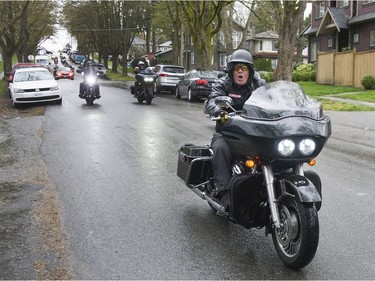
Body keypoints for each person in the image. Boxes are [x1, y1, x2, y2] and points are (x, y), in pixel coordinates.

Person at [204, 49, 265, 210]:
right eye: (237, 67)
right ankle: (223, 192)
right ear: (231, 70)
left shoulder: (259, 85)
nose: (240, 71)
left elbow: (273, 99)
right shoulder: (223, 84)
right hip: (227, 132)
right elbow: (212, 100)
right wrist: (218, 110)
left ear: (250, 71)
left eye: (244, 68)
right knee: (221, 149)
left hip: (253, 133)